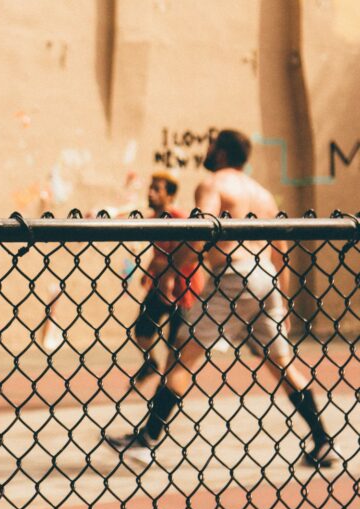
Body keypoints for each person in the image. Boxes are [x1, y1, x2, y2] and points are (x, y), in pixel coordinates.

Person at [107, 129, 338, 468]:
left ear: (223, 153)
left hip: (233, 276)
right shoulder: (262, 195)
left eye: (212, 146)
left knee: (182, 357)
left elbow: (200, 233)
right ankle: (323, 441)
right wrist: (283, 300)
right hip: (265, 278)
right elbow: (280, 250)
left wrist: (171, 269)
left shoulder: (213, 184)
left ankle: (146, 441)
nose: (208, 151)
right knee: (281, 364)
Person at [132, 171, 204, 381]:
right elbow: (159, 252)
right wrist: (150, 270)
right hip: (159, 285)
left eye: (157, 189)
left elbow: (196, 252)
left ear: (170, 196)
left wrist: (169, 268)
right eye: (150, 188)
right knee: (141, 330)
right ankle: (151, 363)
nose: (151, 193)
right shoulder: (154, 220)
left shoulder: (179, 219)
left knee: (176, 342)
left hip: (184, 290)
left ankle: (167, 382)